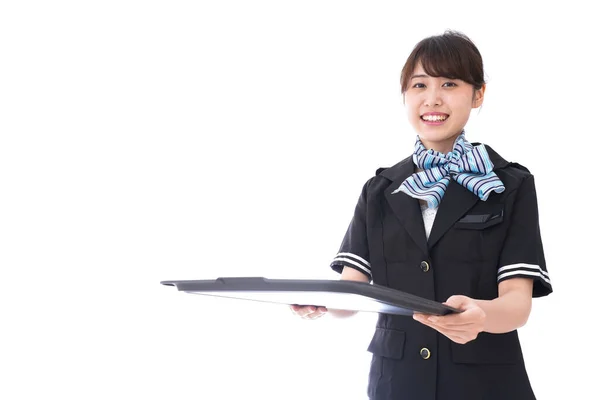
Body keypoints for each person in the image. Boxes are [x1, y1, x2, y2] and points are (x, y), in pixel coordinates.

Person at [290, 30, 552, 400]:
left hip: (485, 384)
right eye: (419, 85)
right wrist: (325, 299)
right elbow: (354, 290)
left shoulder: (510, 184)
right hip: (397, 383)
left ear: (478, 94)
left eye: (449, 83)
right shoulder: (380, 190)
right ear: (405, 95)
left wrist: (481, 315)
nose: (432, 98)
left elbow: (516, 303)